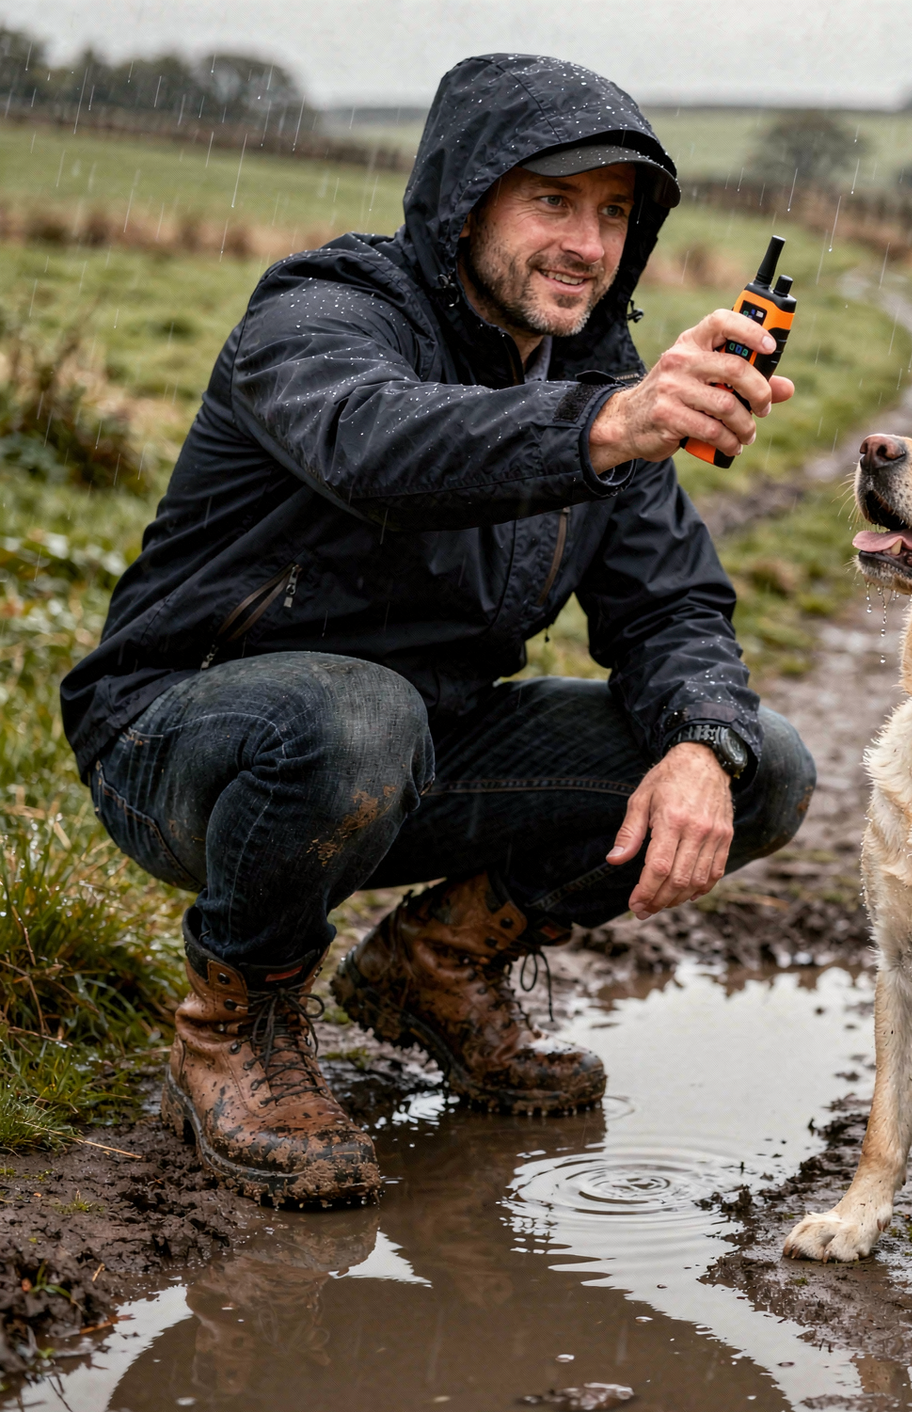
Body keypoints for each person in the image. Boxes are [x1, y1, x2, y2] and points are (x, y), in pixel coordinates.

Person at [61, 54, 816, 1209]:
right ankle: (237, 1025)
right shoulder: (320, 313)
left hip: (425, 752)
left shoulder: (595, 376)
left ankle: (437, 965)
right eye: (552, 202)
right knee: (354, 715)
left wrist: (700, 741)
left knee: (759, 760)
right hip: (187, 740)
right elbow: (375, 439)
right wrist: (605, 423)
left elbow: (669, 604)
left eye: (615, 214)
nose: (587, 243)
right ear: (466, 203)